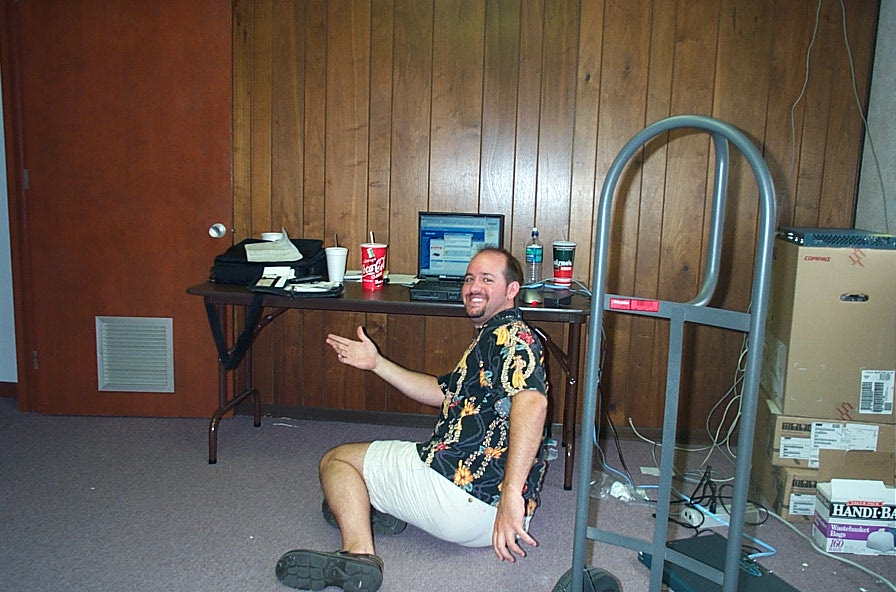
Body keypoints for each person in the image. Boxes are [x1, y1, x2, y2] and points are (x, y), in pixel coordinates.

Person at [274, 248, 550, 592]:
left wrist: (510, 495)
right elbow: (441, 391)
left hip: (463, 497)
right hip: (498, 521)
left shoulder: (511, 336)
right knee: (351, 489)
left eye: (487, 279)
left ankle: (358, 554)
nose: (473, 287)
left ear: (512, 290)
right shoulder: (495, 337)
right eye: (469, 279)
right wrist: (377, 364)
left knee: (337, 462)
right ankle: (376, 506)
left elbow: (533, 403)